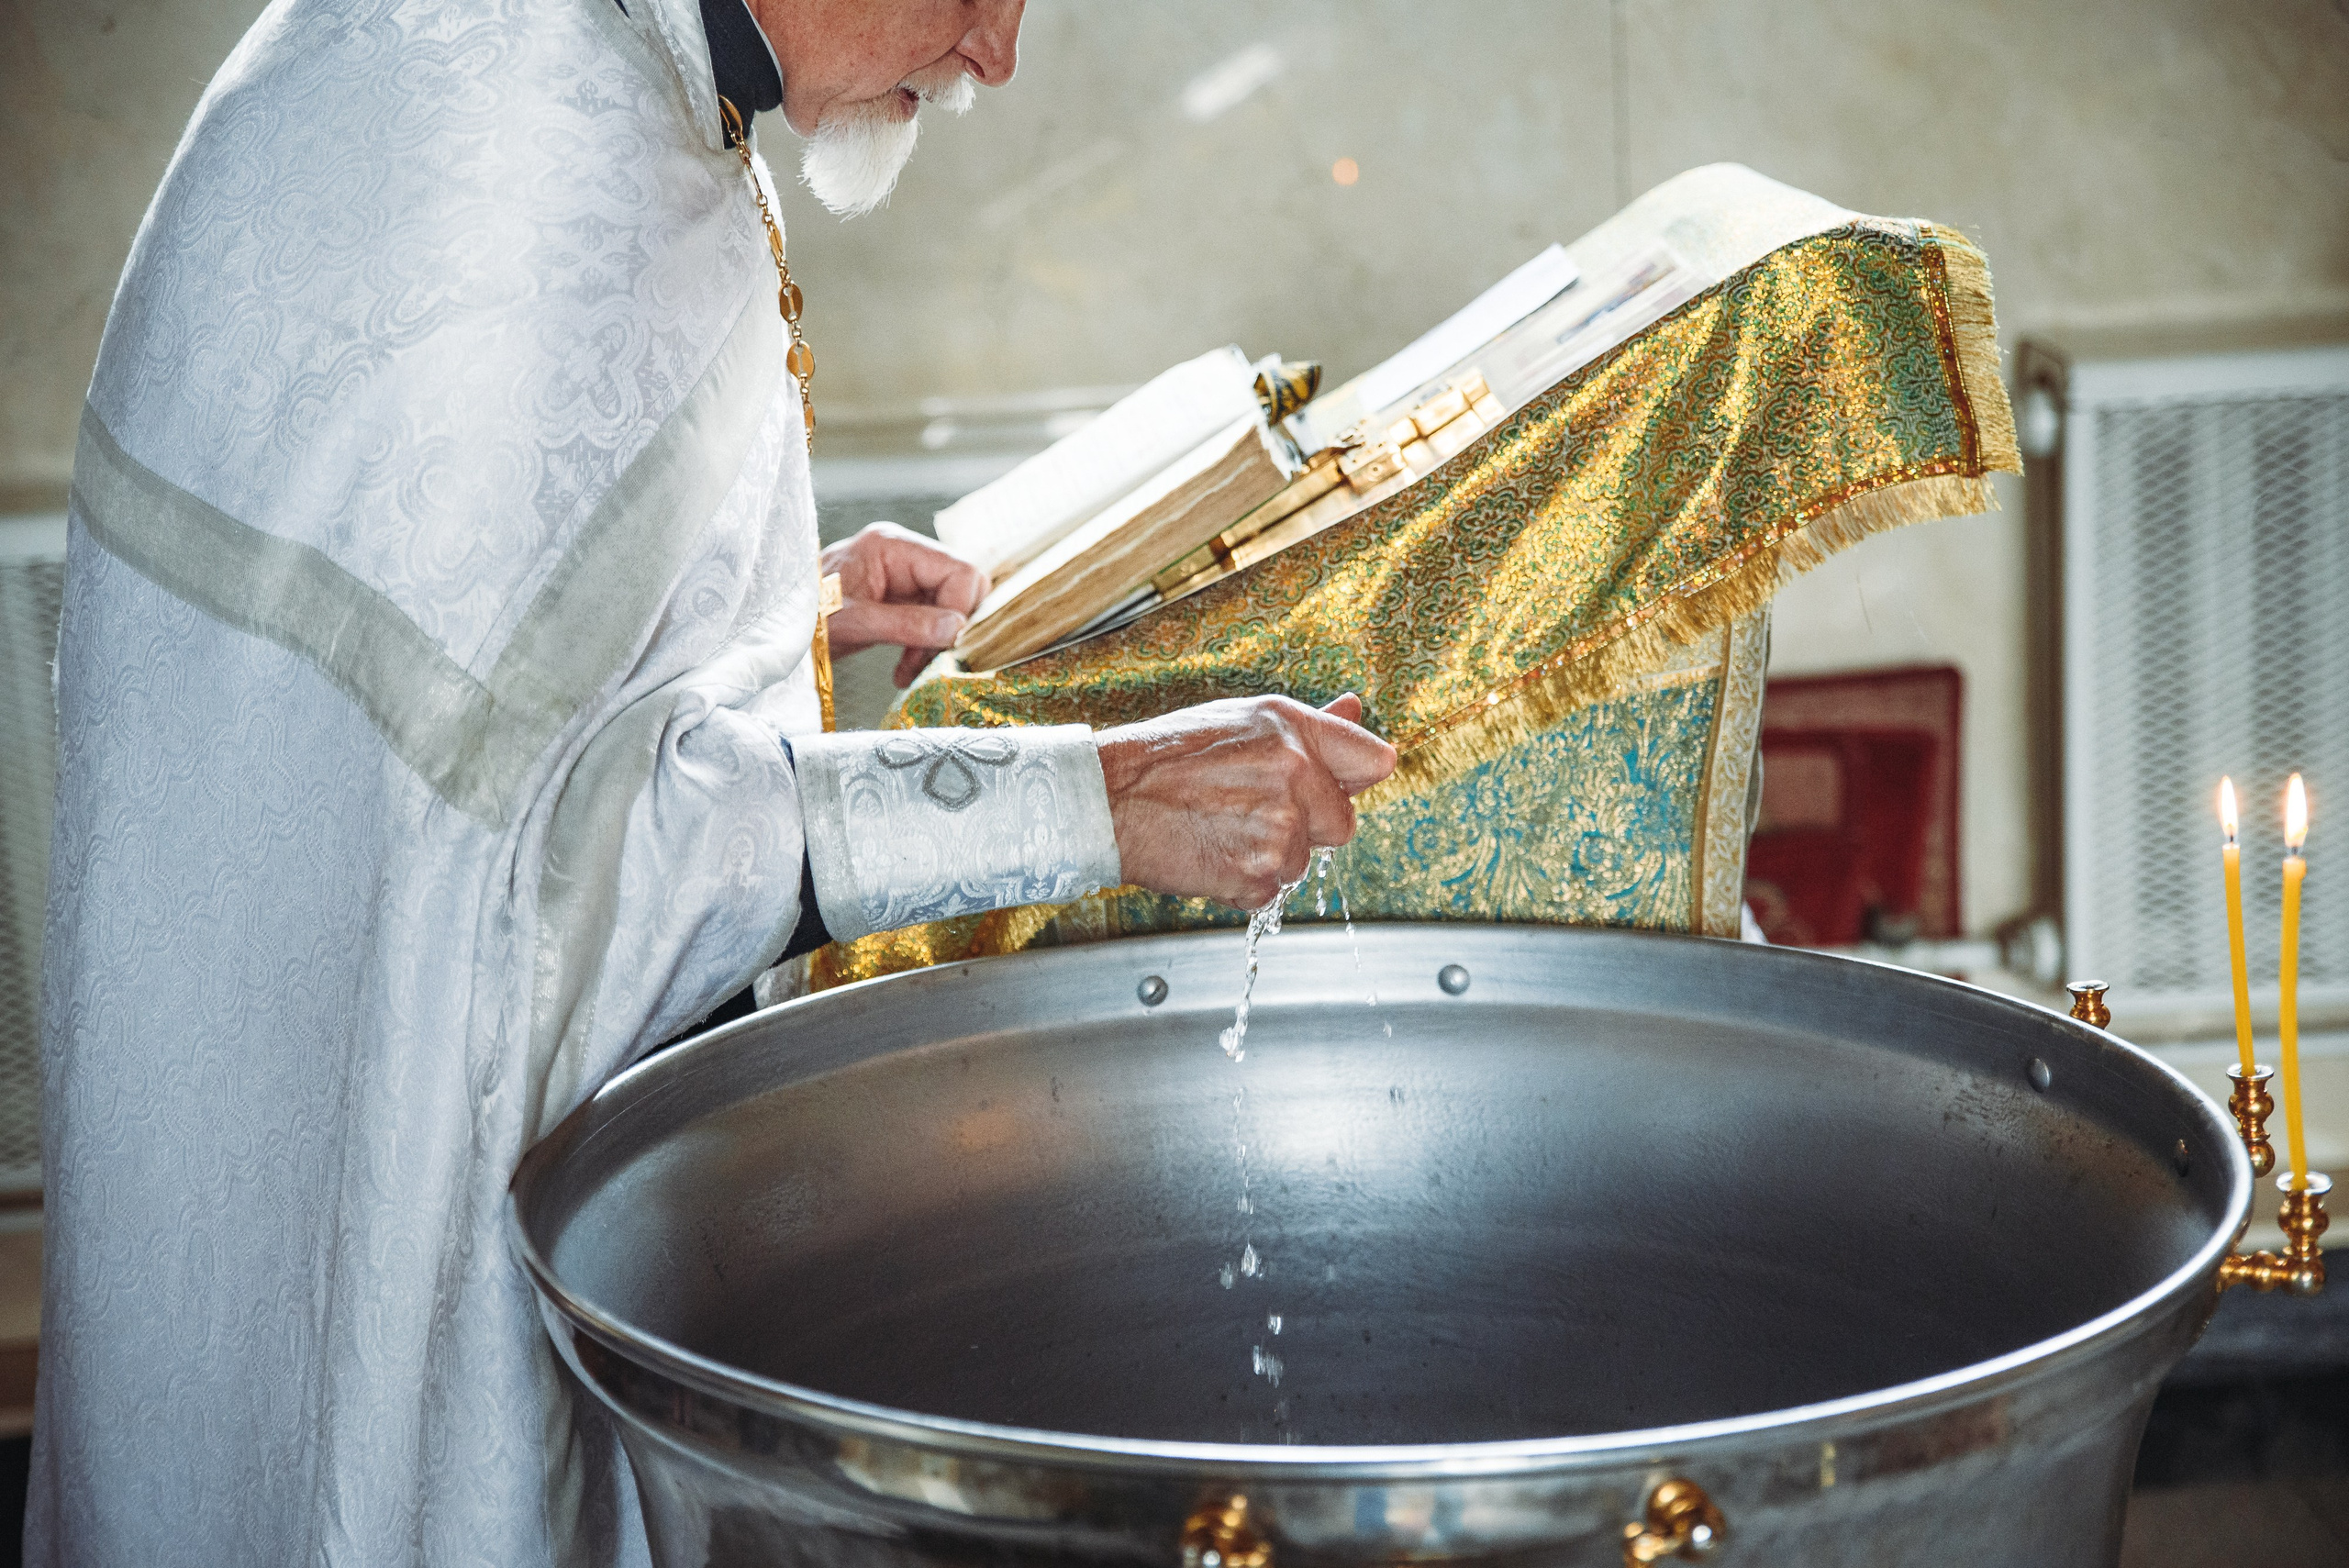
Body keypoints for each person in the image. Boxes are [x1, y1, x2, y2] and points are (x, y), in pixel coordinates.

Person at [29, 1, 1394, 1563]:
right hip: (345, 1199)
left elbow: (449, 683)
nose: (996, 56)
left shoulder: (536, 48)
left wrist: (779, 606)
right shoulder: (518, 159)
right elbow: (545, 880)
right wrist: (1104, 797)